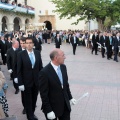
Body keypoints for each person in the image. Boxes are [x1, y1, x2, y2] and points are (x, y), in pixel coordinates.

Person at [39, 48, 76, 120]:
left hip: (65, 105)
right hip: (52, 107)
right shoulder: (44, 72)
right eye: (63, 55)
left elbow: (66, 85)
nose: (65, 57)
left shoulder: (63, 67)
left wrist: (70, 98)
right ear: (56, 58)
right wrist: (49, 110)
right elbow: (44, 94)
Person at [17, 37, 43, 120]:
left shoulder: (37, 53)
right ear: (25, 44)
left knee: (34, 99)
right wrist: (20, 83)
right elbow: (19, 70)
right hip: (26, 82)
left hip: (36, 82)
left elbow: (40, 68)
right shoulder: (21, 54)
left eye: (30, 43)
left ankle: (32, 112)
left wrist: (42, 80)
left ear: (33, 44)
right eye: (27, 43)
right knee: (28, 100)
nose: (28, 44)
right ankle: (30, 116)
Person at [13, 37, 26, 114]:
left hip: (31, 77)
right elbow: (15, 65)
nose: (22, 45)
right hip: (22, 76)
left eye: (23, 43)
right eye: (20, 43)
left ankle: (31, 106)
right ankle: (25, 107)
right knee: (23, 94)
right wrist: (15, 76)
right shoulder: (17, 52)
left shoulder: (32, 51)